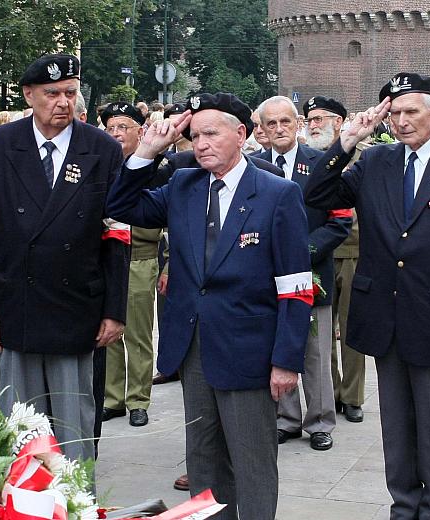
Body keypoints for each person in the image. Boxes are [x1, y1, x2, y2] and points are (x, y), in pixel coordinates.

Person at [107, 92, 312, 520]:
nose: (201, 144)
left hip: (250, 348)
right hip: (194, 345)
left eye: (211, 133)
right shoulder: (184, 185)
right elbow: (121, 204)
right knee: (203, 458)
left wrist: (287, 359)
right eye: (195, 135)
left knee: (252, 460)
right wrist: (148, 149)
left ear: (241, 135)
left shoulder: (277, 193)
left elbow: (295, 285)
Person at [304, 72, 430, 519]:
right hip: (384, 313)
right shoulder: (375, 162)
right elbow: (316, 193)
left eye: (413, 111)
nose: (404, 121)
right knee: (395, 422)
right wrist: (345, 142)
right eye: (395, 113)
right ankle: (402, 504)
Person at [0, 53, 129, 462]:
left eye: (70, 93)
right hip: (18, 304)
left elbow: (117, 236)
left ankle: (77, 500)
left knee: (74, 428)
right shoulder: (0, 145)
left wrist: (115, 309)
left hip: (78, 309)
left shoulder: (102, 149)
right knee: (20, 429)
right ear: (29, 95)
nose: (63, 102)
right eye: (52, 93)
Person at [256, 96, 351, 451]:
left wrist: (301, 252)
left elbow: (340, 220)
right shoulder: (252, 165)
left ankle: (321, 420)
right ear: (262, 129)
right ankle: (287, 418)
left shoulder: (321, 162)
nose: (279, 129)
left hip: (314, 274)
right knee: (278, 348)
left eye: (285, 122)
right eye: (271, 124)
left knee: (315, 352)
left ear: (298, 124)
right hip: (266, 279)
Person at [302, 96, 367, 424]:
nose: (313, 125)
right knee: (321, 334)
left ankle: (352, 396)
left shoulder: (364, 158)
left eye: (320, 119)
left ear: (340, 122)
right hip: (322, 254)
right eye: (310, 120)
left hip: (356, 252)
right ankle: (330, 392)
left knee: (353, 328)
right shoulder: (310, 160)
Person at [99, 102, 158, 428]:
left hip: (139, 257)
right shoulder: (101, 165)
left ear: (141, 130)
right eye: (111, 128)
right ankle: (112, 398)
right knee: (108, 330)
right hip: (107, 258)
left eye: (124, 127)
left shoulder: (154, 166)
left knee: (137, 333)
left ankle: (138, 399)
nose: (117, 134)